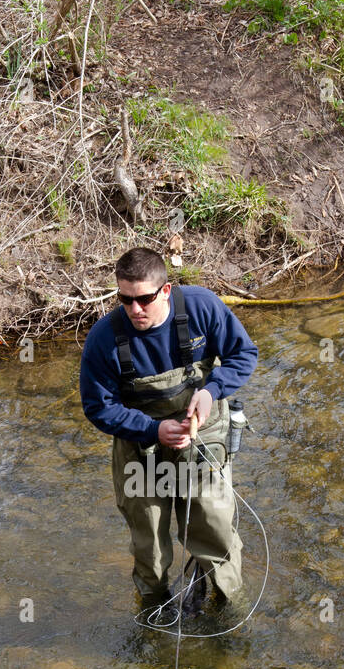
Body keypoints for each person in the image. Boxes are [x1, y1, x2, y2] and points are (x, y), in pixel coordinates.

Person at [79, 246, 258, 617]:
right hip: (140, 452)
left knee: (214, 532)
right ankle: (154, 616)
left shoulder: (202, 307)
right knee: (151, 548)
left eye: (143, 299)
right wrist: (152, 429)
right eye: (124, 300)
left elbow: (244, 354)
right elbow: (98, 407)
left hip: (203, 441)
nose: (134, 310)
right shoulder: (103, 340)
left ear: (165, 290)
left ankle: (231, 612)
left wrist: (211, 391)